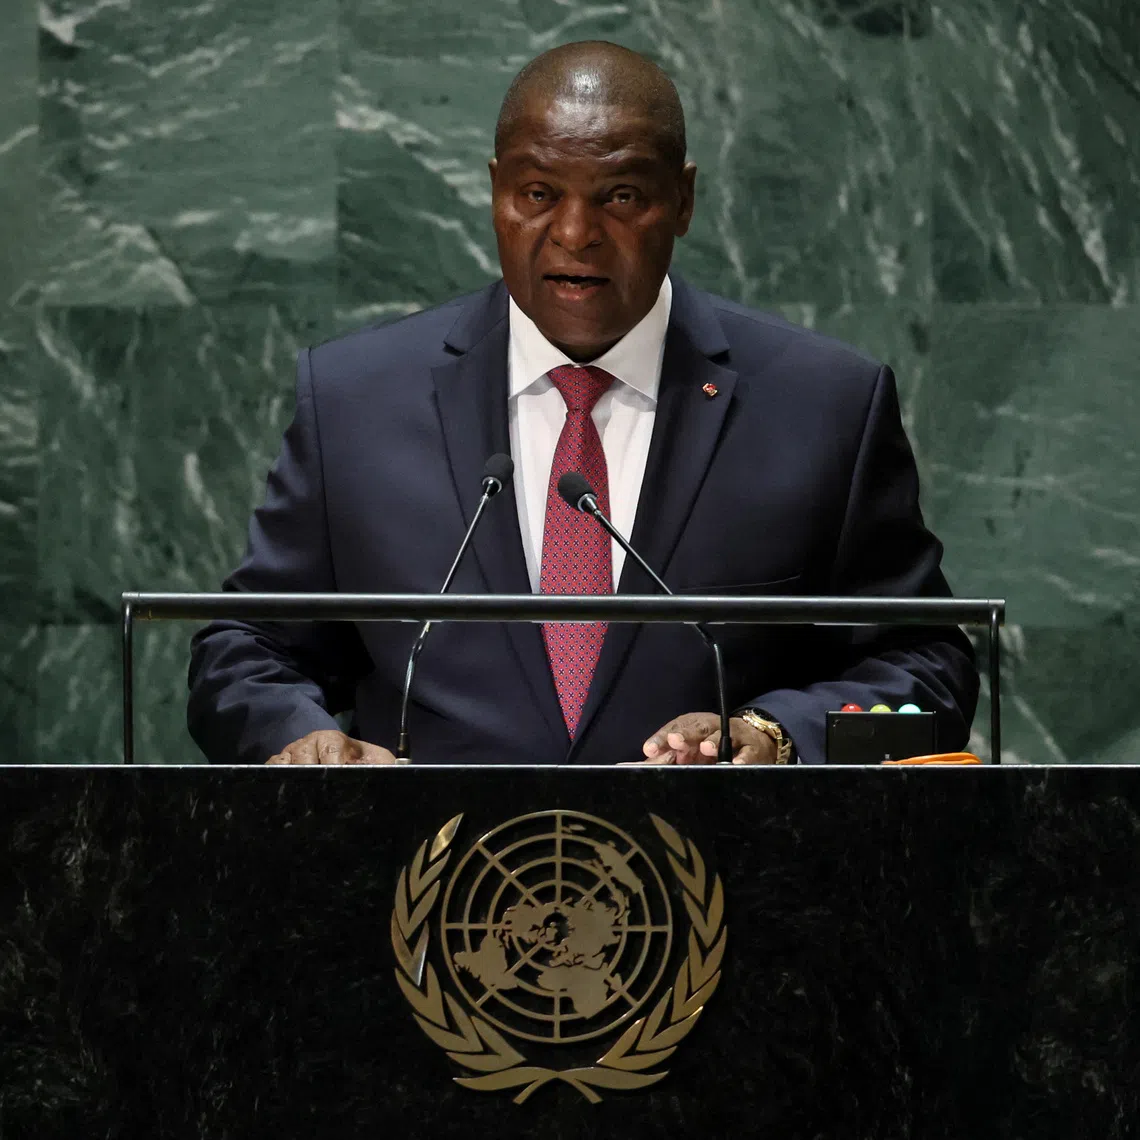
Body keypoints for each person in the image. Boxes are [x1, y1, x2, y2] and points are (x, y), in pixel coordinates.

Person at [187, 41, 977, 767]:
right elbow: (247, 647)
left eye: (622, 195)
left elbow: (927, 668)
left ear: (684, 201)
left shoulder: (823, 404)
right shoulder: (357, 399)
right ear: (494, 190)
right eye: (537, 191)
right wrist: (300, 738)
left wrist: (776, 734)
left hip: (728, 891)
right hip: (431, 892)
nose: (574, 232)